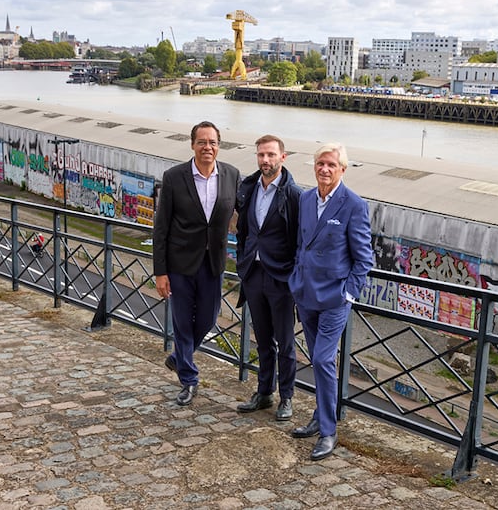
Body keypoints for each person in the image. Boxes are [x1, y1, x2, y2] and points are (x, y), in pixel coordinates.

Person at [288, 142, 373, 461]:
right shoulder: (307, 199)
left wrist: (349, 293)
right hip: (306, 293)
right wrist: (296, 278)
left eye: (331, 165)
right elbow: (301, 243)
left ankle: (328, 431)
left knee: (323, 359)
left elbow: (364, 258)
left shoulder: (353, 205)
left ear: (342, 170)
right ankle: (320, 416)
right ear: (314, 166)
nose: (325, 169)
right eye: (320, 163)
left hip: (335, 298)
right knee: (316, 359)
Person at [153, 120, 240, 406]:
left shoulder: (231, 175)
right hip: (180, 263)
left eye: (212, 142)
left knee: (207, 318)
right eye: (202, 142)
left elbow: (244, 212)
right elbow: (161, 227)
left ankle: (179, 357)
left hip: (213, 262)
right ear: (192, 145)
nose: (207, 147)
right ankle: (189, 379)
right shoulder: (174, 177)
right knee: (181, 322)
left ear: (219, 145)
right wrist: (160, 272)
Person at [235, 134, 301, 421]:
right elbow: (245, 232)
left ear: (282, 158)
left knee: (285, 343)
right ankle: (264, 392)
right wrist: (242, 263)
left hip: (281, 278)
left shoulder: (294, 194)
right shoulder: (249, 189)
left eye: (271, 155)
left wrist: (294, 277)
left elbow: (300, 239)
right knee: (262, 340)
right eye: (261, 155)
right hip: (253, 273)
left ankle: (286, 397)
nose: (266, 160)